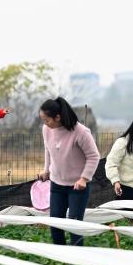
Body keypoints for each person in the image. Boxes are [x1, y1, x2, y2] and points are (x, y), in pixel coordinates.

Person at [37, 97, 100, 246]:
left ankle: (76, 259)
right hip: (57, 184)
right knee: (56, 223)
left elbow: (94, 156)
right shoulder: (47, 130)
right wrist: (46, 170)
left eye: (47, 120)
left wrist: (84, 178)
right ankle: (61, 257)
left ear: (58, 117)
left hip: (77, 186)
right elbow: (48, 149)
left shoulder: (80, 132)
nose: (45, 123)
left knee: (74, 224)